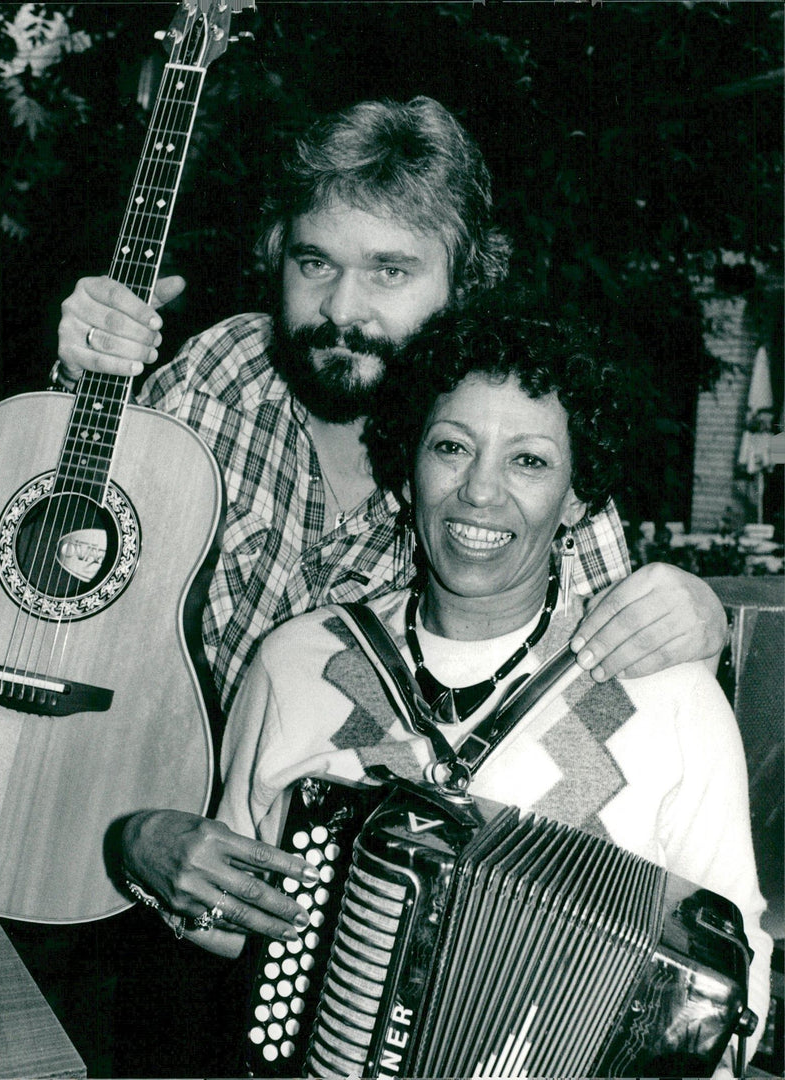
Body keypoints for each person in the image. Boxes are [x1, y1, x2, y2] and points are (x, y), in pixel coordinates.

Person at [48, 95, 729, 1074]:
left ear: (465, 281)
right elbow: (62, 585)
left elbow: (606, 707)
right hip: (119, 861)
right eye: (314, 262)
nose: (340, 309)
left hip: (387, 954)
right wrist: (78, 393)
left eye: (390, 271)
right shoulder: (217, 375)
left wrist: (696, 618)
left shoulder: (503, 449)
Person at [158, 299, 770, 1077]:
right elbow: (230, 920)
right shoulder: (296, 663)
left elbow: (735, 970)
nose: (480, 490)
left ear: (578, 496)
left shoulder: (663, 694)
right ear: (408, 469)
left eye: (529, 461)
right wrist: (153, 865)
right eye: (451, 447)